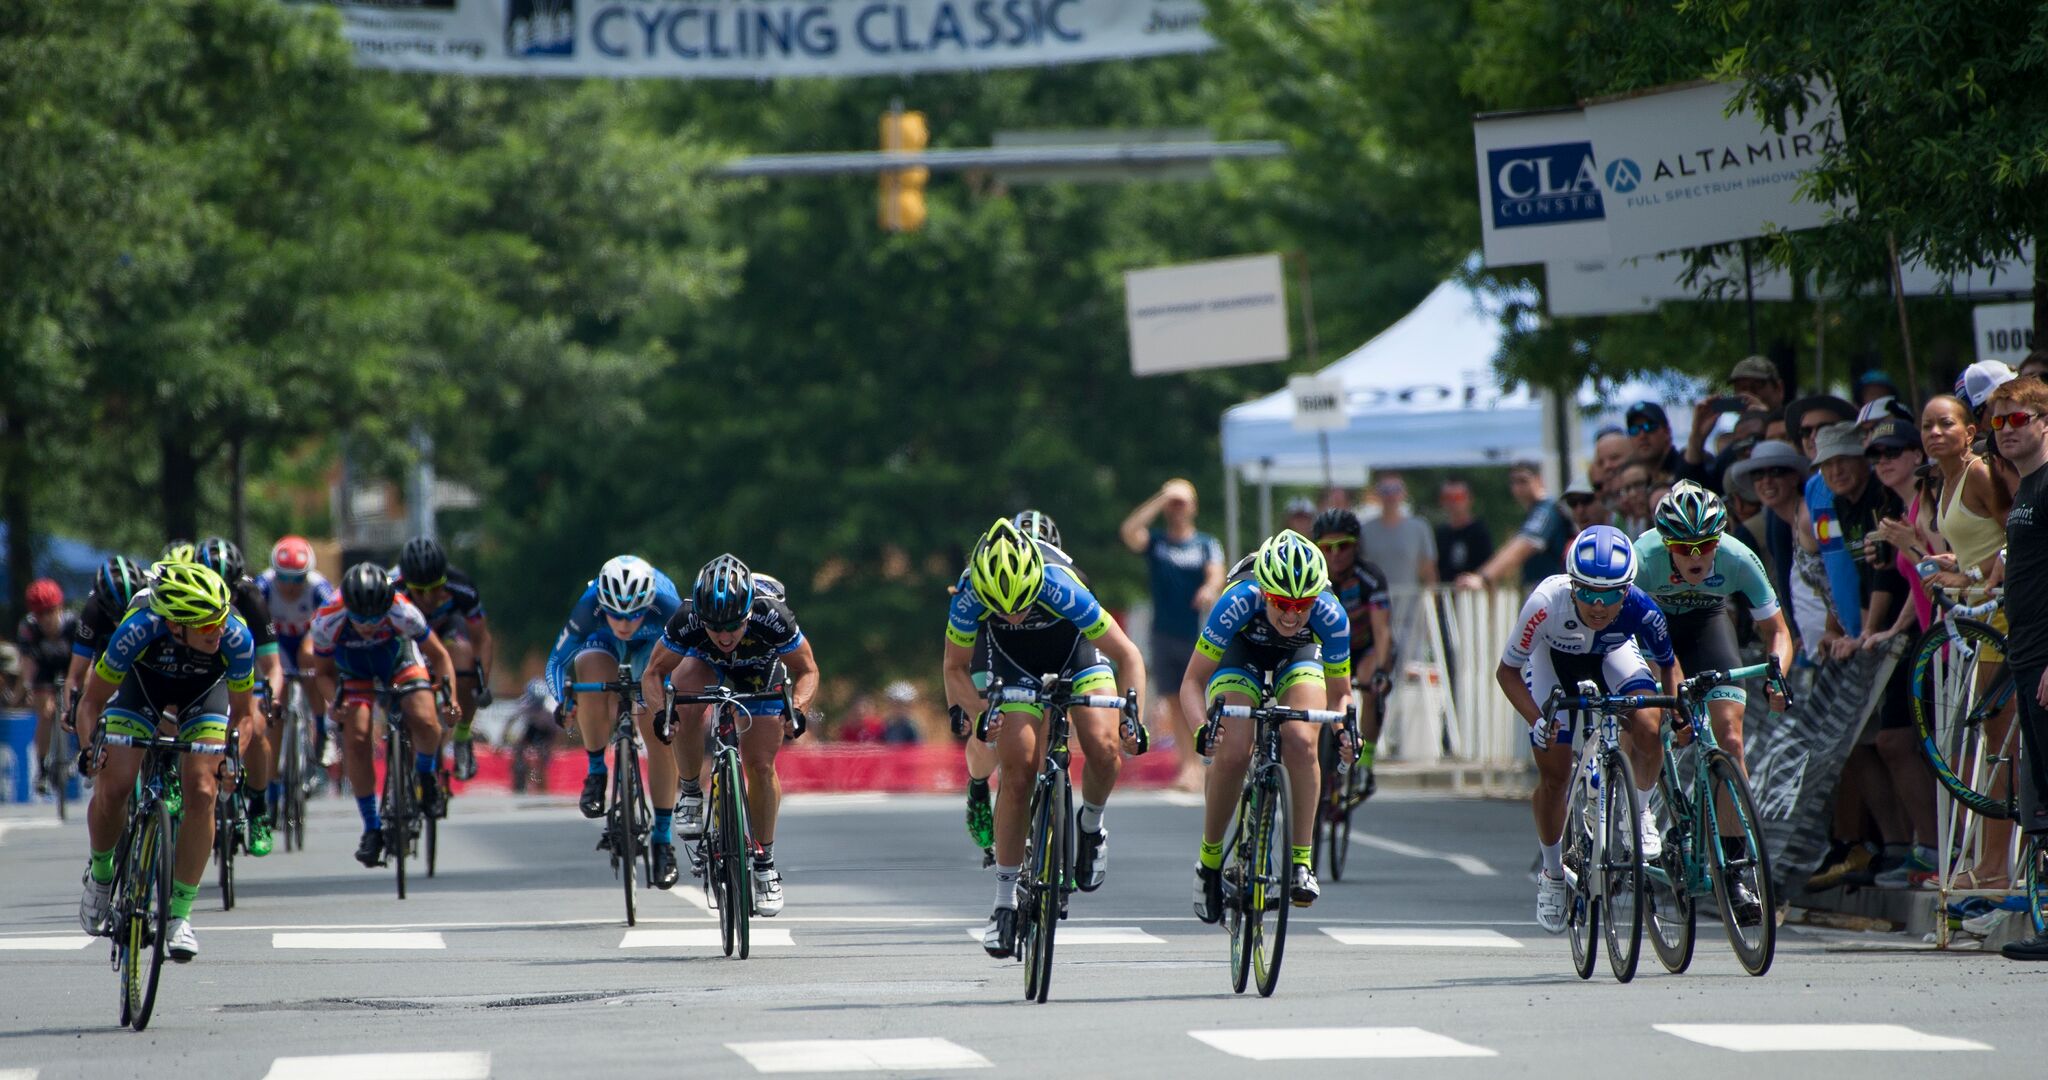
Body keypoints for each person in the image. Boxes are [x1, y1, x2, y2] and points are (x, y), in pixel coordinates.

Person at [943, 519, 1147, 958]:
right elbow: (954, 669)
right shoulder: (969, 595)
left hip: (1076, 651)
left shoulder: (1062, 586)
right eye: (1002, 608)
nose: (1013, 615)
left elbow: (1128, 654)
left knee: (1104, 746)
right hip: (1014, 663)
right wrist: (980, 713)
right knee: (1017, 771)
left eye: (1020, 604)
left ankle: (1090, 826)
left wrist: (1134, 718)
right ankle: (1002, 904)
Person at [74, 561, 260, 963]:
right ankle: (102, 875)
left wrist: (233, 757)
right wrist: (92, 748)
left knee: (203, 788)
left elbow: (246, 715)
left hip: (204, 693)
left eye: (221, 620)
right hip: (143, 686)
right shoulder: (137, 629)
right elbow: (90, 702)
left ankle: (178, 915)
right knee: (117, 783)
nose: (219, 630)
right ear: (176, 625)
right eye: (207, 625)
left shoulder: (235, 636)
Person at [1496, 526, 1676, 932]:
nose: (1598, 603)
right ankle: (1552, 873)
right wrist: (1537, 719)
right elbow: (1506, 672)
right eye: (1588, 592)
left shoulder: (1642, 608)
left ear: (1627, 590)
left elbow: (1668, 664)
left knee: (1649, 725)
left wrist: (1674, 708)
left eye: (1611, 594)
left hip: (1613, 654)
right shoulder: (1544, 603)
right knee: (1555, 773)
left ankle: (1640, 812)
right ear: (1571, 584)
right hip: (1553, 664)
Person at [1184, 531, 1352, 920]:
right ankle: (1209, 863)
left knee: (1301, 740)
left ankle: (1301, 864)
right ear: (1265, 593)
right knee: (1235, 749)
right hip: (1241, 652)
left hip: (1299, 657)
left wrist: (1345, 729)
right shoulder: (1239, 600)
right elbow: (1192, 682)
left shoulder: (1330, 613)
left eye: (1302, 605)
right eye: (1280, 604)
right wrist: (1200, 729)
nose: (1292, 615)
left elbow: (1342, 694)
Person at [1633, 483, 1794, 886]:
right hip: (1653, 635)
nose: (1695, 556)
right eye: (1683, 547)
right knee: (1645, 724)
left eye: (1704, 545)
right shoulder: (1643, 557)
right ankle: (1633, 815)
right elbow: (1622, 634)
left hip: (1708, 628)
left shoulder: (1738, 557)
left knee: (1731, 739)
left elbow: (1778, 632)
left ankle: (1736, 871)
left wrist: (1778, 677)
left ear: (1718, 539)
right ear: (1665, 542)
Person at [641, 554, 821, 907]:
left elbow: (808, 670)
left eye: (733, 627)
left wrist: (797, 709)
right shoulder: (688, 618)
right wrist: (662, 713)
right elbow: (652, 674)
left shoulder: (772, 615)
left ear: (749, 613)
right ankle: (691, 791)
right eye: (714, 627)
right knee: (684, 695)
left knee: (761, 764)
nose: (724, 636)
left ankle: (765, 864)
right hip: (705, 666)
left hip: (760, 668)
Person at [1918, 394, 2017, 888]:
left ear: (1969, 432)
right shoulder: (1945, 480)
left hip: (2001, 614)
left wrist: (1971, 573)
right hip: (1980, 616)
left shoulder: (1979, 472)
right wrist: (1954, 566)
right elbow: (1979, 545)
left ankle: (1998, 867)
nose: (1935, 433)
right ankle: (1988, 861)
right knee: (1992, 739)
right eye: (1927, 426)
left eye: (1945, 424)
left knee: (2001, 740)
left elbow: (2015, 534)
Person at [311, 563, 462, 869]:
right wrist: (333, 702)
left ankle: (425, 776)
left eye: (374, 617)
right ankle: (371, 828)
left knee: (425, 717)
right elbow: (323, 674)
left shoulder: (403, 611)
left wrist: (450, 698)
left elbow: (440, 656)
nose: (367, 625)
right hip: (354, 671)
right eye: (360, 618)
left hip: (398, 661)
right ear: (347, 607)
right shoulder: (327, 619)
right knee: (356, 738)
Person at [1860, 418, 1943, 886]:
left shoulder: (1927, 503)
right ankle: (1930, 847)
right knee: (1899, 741)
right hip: (1923, 632)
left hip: (1953, 633)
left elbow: (1938, 561)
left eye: (1894, 451)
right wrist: (1893, 627)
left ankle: (1941, 850)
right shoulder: (1902, 506)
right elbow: (1917, 584)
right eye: (1877, 456)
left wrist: (1907, 544)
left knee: (1930, 744)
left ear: (1918, 456)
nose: (1883, 461)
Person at [1983, 377, 2048, 959]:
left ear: (2044, 422)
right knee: (2042, 793)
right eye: (1998, 422)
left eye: (2018, 420)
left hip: (2046, 657)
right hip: (2024, 652)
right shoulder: (2024, 488)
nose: (2006, 431)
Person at [546, 554, 683, 828]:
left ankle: (663, 839)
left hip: (653, 644)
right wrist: (563, 701)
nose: (623, 624)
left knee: (657, 731)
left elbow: (691, 658)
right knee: (590, 675)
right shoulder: (589, 607)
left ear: (648, 604)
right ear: (602, 605)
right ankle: (596, 773)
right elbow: (556, 663)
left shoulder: (668, 606)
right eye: (615, 615)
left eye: (633, 615)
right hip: (602, 640)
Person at [1120, 479, 1224, 790]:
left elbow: (1217, 572)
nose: (1177, 509)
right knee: (1174, 701)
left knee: (1202, 696)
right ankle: (1189, 766)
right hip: (1164, 633)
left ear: (1193, 507)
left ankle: (1210, 758)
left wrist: (1209, 588)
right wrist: (1161, 496)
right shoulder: (1158, 543)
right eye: (1172, 504)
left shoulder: (1205, 543)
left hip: (1198, 633)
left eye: (1182, 502)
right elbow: (1129, 532)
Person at [194, 537, 284, 856]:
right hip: (201, 672)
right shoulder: (186, 598)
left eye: (227, 588)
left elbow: (273, 665)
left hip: (241, 671)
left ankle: (259, 809)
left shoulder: (251, 597)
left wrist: (270, 697)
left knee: (257, 729)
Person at [393, 536, 492, 781]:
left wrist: (480, 682)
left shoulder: (462, 586)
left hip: (448, 628)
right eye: (419, 591)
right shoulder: (391, 588)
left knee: (465, 659)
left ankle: (462, 737)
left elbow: (482, 639)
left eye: (436, 588)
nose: (428, 598)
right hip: (408, 634)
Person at [1312, 508, 1393, 790]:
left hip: (1365, 648)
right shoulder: (1313, 577)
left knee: (1372, 683)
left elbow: (1382, 631)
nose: (1335, 554)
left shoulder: (1370, 577)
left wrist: (1382, 670)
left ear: (1356, 545)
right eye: (1327, 547)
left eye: (1343, 546)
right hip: (1328, 648)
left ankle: (1365, 760)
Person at [256, 536, 340, 773]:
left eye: (298, 578)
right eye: (284, 577)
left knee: (308, 657)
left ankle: (322, 729)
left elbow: (331, 622)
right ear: (275, 573)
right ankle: (271, 780)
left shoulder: (318, 588)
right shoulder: (263, 586)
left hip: (307, 639)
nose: (290, 585)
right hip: (277, 642)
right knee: (276, 704)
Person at [1725, 441, 1813, 643]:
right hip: (1806, 638)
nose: (1767, 481)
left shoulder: (1809, 516)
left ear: (1794, 477)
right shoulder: (1776, 521)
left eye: (1776, 472)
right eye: (1758, 475)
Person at [1459, 461, 1573, 590]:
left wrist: (1484, 577)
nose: (1518, 487)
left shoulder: (1546, 510)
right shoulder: (1535, 510)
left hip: (1554, 590)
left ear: (1539, 480)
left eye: (1523, 481)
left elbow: (1524, 545)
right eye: (1514, 482)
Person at [1359, 472, 1437, 657]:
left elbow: (1428, 571)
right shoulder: (1365, 530)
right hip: (1376, 612)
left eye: (1396, 489)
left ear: (1404, 493)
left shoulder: (1419, 527)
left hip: (1410, 612)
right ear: (1378, 494)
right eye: (1385, 490)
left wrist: (1431, 610)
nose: (1391, 495)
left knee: (1409, 665)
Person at [16, 578, 76, 798]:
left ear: (60, 607)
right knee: (46, 713)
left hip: (71, 666)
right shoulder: (28, 628)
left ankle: (80, 751)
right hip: (44, 670)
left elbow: (86, 661)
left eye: (50, 612)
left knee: (81, 701)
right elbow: (28, 664)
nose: (46, 619)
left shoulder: (73, 623)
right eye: (40, 614)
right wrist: (29, 689)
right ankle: (41, 769)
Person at [1625, 402, 1705, 484]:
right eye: (1634, 430)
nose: (1642, 435)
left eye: (1650, 427)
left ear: (1667, 431)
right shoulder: (1632, 480)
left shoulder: (1687, 466)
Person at [1434, 481, 1494, 582]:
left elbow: (1488, 564)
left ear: (1469, 499)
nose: (1453, 503)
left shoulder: (1479, 531)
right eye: (1448, 498)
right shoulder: (1441, 533)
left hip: (1473, 593)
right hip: (1446, 593)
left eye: (1458, 497)